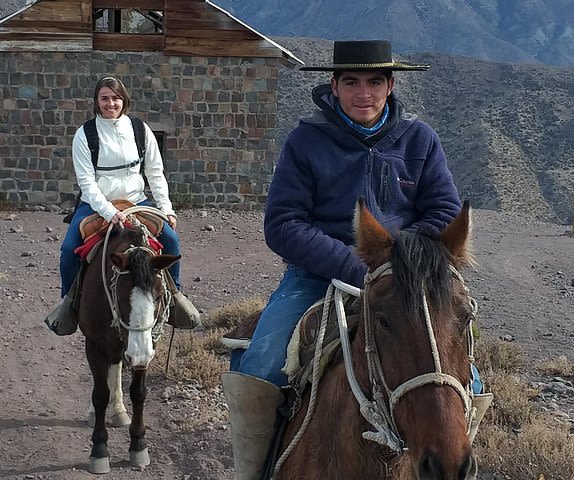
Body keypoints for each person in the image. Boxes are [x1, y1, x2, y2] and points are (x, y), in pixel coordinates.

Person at [221, 40, 486, 480]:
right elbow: (284, 223)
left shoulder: (419, 139)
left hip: (404, 281)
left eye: (374, 82)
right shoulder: (306, 141)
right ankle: (253, 471)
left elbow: (443, 210)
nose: (364, 93)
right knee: (262, 363)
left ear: (390, 86)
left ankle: (446, 459)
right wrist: (355, 263)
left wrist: (397, 259)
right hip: (317, 275)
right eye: (352, 82)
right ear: (335, 86)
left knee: (465, 378)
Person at [47, 76, 196, 335]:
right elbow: (86, 181)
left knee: (171, 241)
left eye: (115, 98)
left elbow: (155, 172)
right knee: (69, 249)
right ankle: (70, 304)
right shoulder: (85, 135)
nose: (110, 103)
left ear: (124, 100)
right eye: (104, 98)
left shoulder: (140, 129)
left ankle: (175, 298)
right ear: (97, 101)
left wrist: (166, 208)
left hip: (137, 202)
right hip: (96, 204)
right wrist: (108, 211)